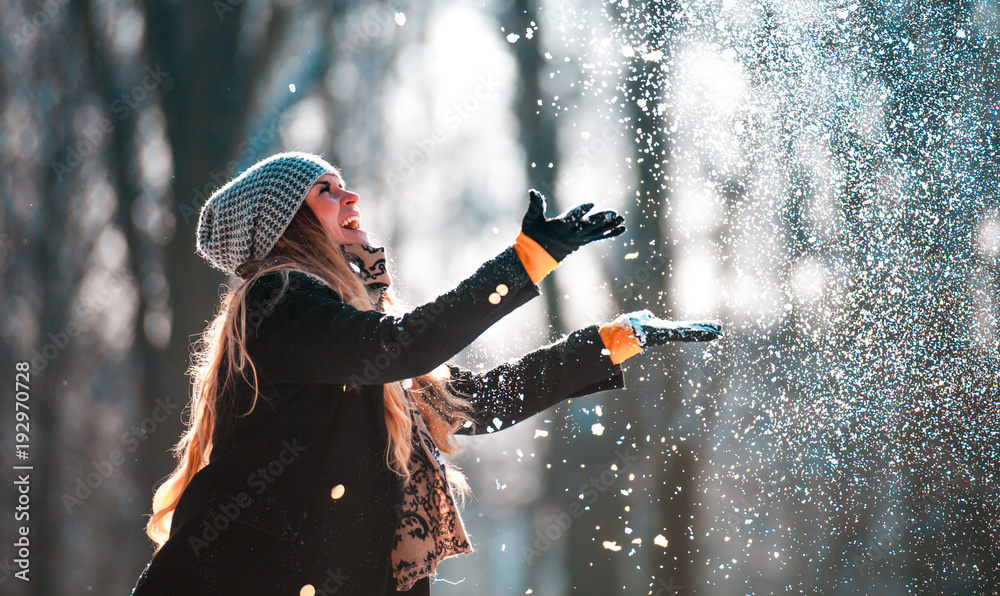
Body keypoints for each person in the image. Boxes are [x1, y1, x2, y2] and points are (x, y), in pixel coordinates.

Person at [130, 151, 721, 595]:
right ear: (287, 222)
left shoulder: (342, 328)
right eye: (325, 190)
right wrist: (525, 261)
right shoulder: (278, 299)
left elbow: (477, 401)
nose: (351, 197)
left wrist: (613, 343)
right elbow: (404, 347)